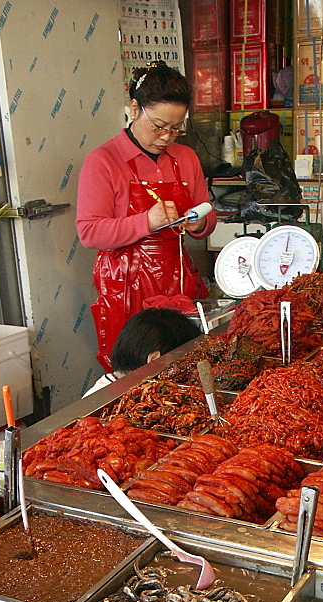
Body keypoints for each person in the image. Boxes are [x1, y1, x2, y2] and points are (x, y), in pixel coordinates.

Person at [76, 61, 217, 370]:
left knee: (184, 364)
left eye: (176, 127)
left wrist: (199, 223)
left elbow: (207, 215)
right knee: (134, 374)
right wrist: (146, 222)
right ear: (135, 107)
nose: (167, 136)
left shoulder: (186, 157)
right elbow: (89, 232)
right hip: (125, 284)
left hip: (177, 279)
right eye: (158, 125)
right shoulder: (103, 161)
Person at [84, 307, 199, 395]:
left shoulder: (134, 387)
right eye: (181, 364)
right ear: (155, 360)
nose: (184, 371)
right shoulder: (107, 401)